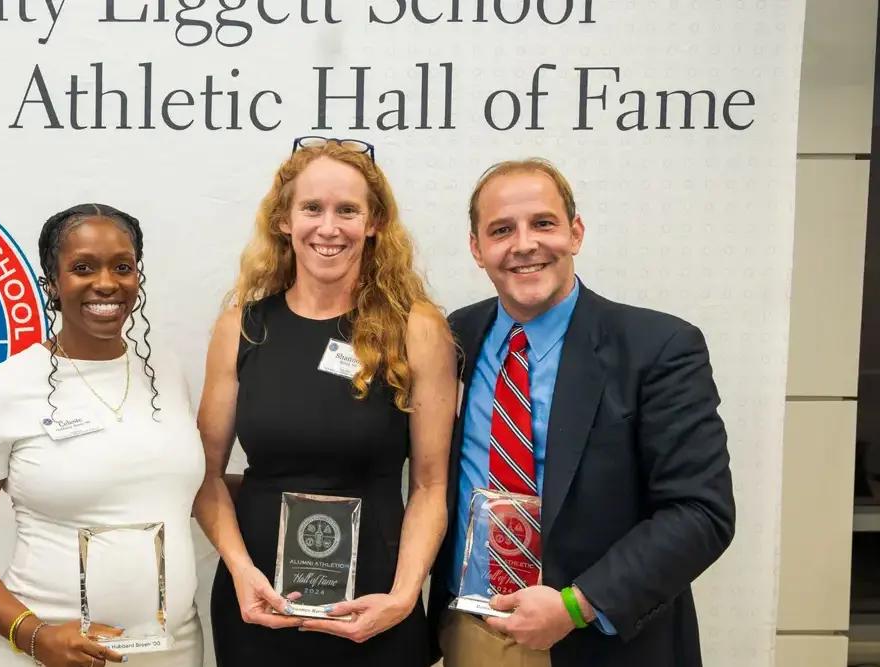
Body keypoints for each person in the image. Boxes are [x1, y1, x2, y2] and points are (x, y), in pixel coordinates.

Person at [427, 158, 736, 667]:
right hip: (473, 633)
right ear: (477, 249)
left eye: (543, 224)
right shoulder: (451, 339)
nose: (524, 244)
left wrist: (577, 605)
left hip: (604, 640)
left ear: (575, 233)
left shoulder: (658, 347)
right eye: (501, 230)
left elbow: (701, 513)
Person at [193, 137, 459, 667]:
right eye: (312, 208)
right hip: (260, 606)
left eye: (348, 210)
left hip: (376, 605)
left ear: (375, 221)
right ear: (285, 221)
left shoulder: (416, 329)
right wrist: (243, 575)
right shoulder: (241, 329)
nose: (329, 227)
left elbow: (431, 486)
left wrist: (405, 597)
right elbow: (204, 476)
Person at [0, 203, 206, 667]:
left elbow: (187, 490)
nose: (106, 283)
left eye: (123, 266)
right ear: (52, 285)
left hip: (172, 650)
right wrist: (36, 637)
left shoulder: (164, 370)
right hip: (54, 656)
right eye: (82, 268)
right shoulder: (7, 386)